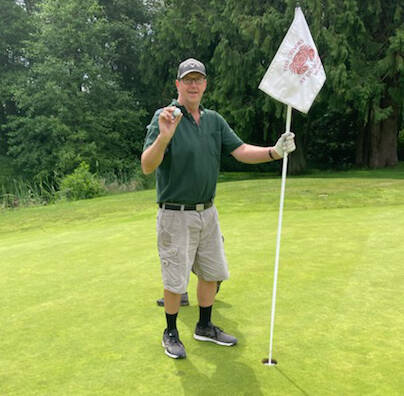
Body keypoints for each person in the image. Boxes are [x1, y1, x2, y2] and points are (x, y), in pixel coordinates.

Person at [141, 58, 295, 359]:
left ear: (205, 84)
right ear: (178, 84)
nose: (193, 85)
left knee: (212, 272)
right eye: (187, 80)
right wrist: (164, 137)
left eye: (198, 79)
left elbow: (240, 151)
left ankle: (204, 326)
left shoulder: (213, 120)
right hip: (175, 213)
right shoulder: (166, 117)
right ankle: (170, 332)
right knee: (175, 280)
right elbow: (148, 166)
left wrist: (274, 152)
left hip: (208, 212)